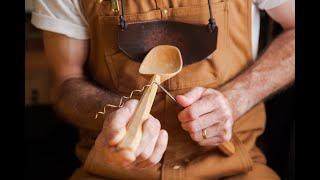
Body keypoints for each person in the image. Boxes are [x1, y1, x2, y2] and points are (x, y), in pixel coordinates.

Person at [31, 0, 295, 179]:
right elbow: (65, 80)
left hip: (235, 167)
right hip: (112, 170)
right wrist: (110, 113)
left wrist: (237, 98)